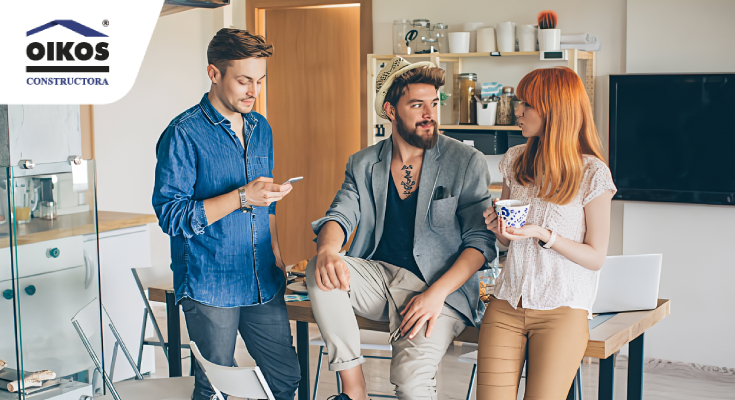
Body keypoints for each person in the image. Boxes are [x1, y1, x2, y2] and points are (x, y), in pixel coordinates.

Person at [306, 56, 496, 400]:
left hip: (439, 289)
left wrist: (435, 294)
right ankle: (354, 391)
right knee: (321, 269)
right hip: (378, 278)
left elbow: (480, 242)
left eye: (434, 103)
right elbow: (339, 215)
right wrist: (328, 251)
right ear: (391, 110)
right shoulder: (363, 162)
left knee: (411, 384)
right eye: (417, 104)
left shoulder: (465, 161)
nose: (430, 114)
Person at [152, 28, 300, 400]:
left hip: (262, 277)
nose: (254, 91)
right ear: (213, 74)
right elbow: (171, 216)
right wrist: (240, 197)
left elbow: (266, 201)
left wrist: (278, 255)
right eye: (244, 80)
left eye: (260, 81)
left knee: (285, 378)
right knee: (214, 388)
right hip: (209, 282)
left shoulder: (260, 127)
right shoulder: (182, 134)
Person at [478, 66, 617, 400]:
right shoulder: (515, 160)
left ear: (555, 110)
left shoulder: (593, 174)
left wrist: (544, 233)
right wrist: (499, 228)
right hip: (506, 303)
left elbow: (595, 257)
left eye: (528, 104)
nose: (517, 111)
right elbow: (505, 242)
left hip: (562, 312)